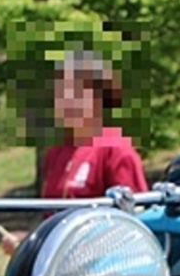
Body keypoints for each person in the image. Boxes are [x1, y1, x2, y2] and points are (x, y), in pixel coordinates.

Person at [42, 51, 148, 198]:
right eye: (61, 93)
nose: (66, 101)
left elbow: (134, 215)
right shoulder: (56, 150)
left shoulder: (116, 150)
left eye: (76, 93)